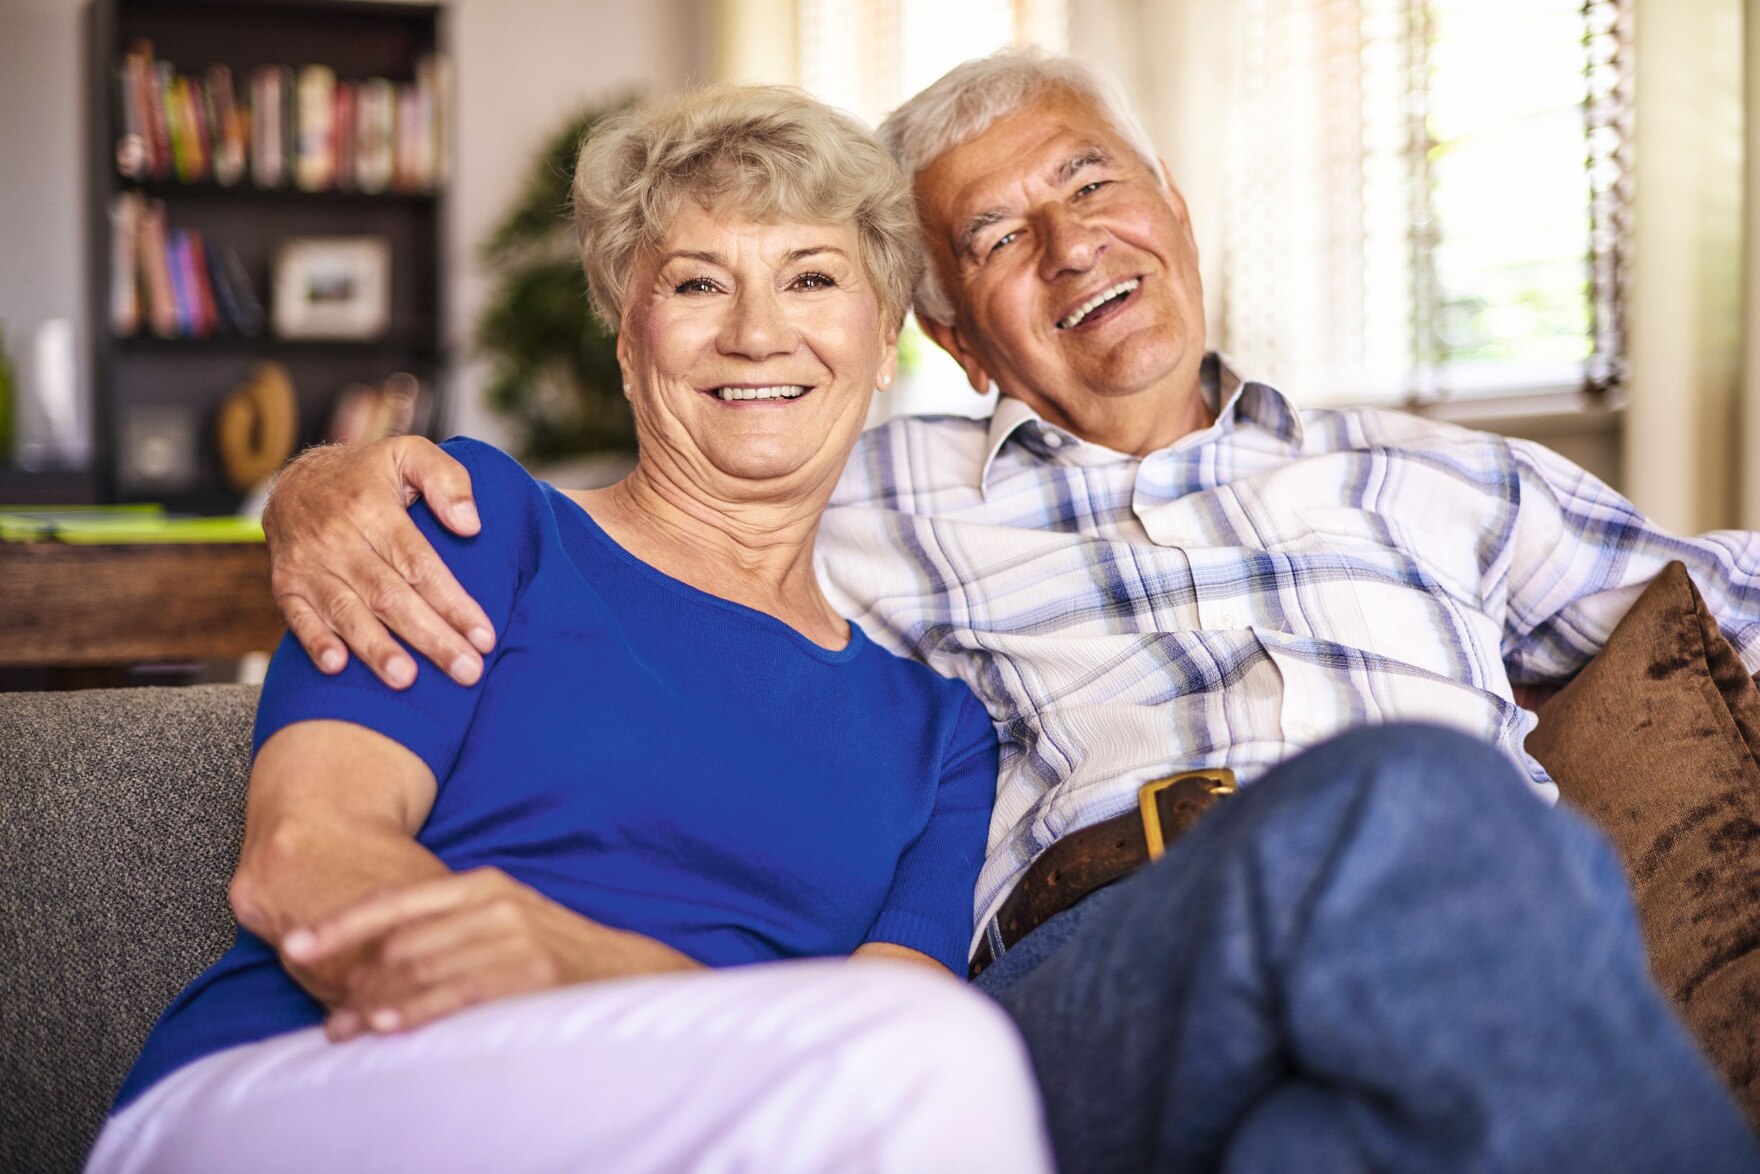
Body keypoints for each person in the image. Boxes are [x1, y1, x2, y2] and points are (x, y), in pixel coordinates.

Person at [259, 51, 1760, 1171]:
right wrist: (321, 483)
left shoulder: (1436, 474)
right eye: (993, 236)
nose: (1068, 243)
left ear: (1172, 208)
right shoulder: (848, 480)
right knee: (1420, 795)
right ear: (955, 340)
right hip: (1105, 970)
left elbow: (1730, 598)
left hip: (1463, 949)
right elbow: (604, 523)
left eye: (1092, 182)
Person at [86, 85, 1054, 1174]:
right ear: (627, 340)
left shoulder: (938, 733)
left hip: (702, 1121)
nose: (755, 333)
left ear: (883, 340)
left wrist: (591, 968)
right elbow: (304, 859)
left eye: (812, 278)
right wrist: (544, 987)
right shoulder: (473, 521)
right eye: (697, 283)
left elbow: (883, 1039)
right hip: (316, 1069)